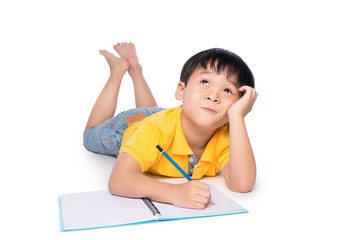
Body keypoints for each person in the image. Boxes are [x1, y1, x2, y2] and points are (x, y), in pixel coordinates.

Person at [83, 42, 258, 209]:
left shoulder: (228, 136)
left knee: (153, 114)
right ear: (181, 90)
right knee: (89, 135)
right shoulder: (154, 130)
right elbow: (119, 180)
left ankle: (135, 70)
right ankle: (117, 71)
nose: (214, 96)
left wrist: (237, 117)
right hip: (127, 127)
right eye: (205, 82)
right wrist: (174, 192)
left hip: (165, 116)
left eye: (228, 90)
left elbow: (242, 185)